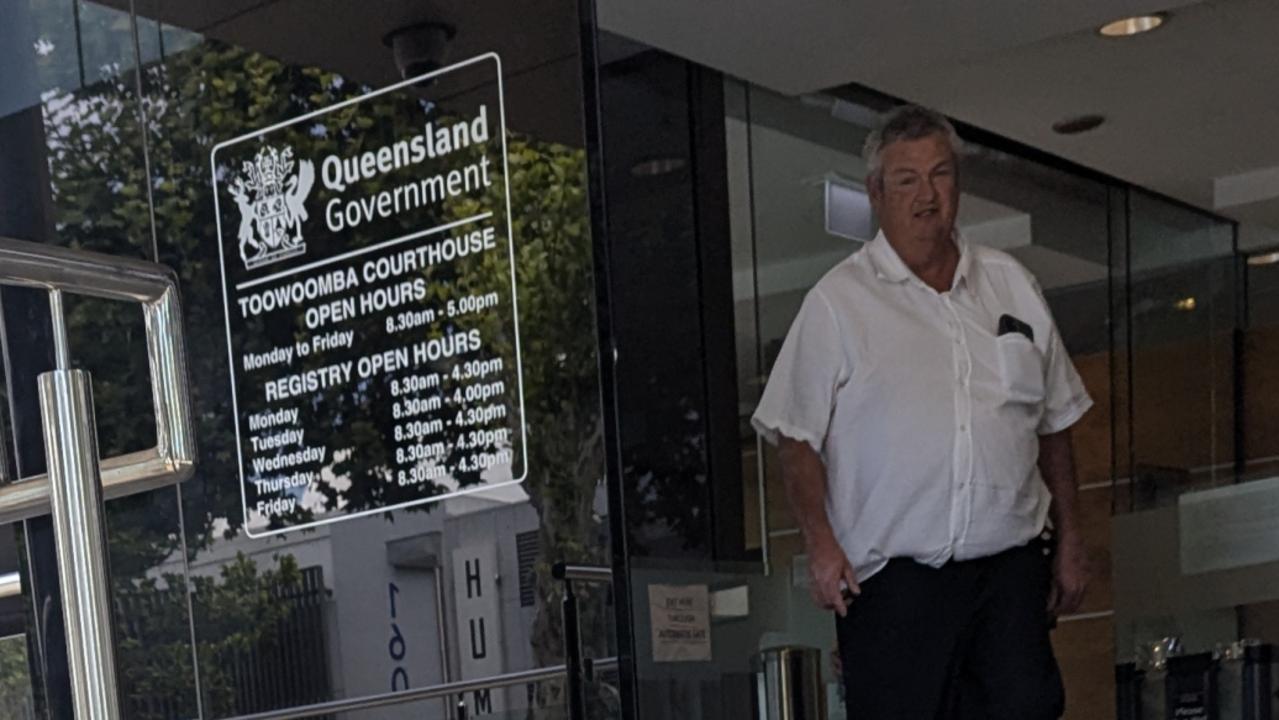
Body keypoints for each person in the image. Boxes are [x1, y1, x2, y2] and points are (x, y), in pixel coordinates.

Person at [751, 105, 1093, 720]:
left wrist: (1071, 536)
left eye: (940, 175)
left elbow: (1055, 424)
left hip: (1008, 571)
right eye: (907, 179)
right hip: (895, 582)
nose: (927, 195)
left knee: (1030, 707)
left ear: (958, 184)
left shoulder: (1010, 284)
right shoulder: (837, 303)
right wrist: (821, 547)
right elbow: (794, 438)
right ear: (876, 193)